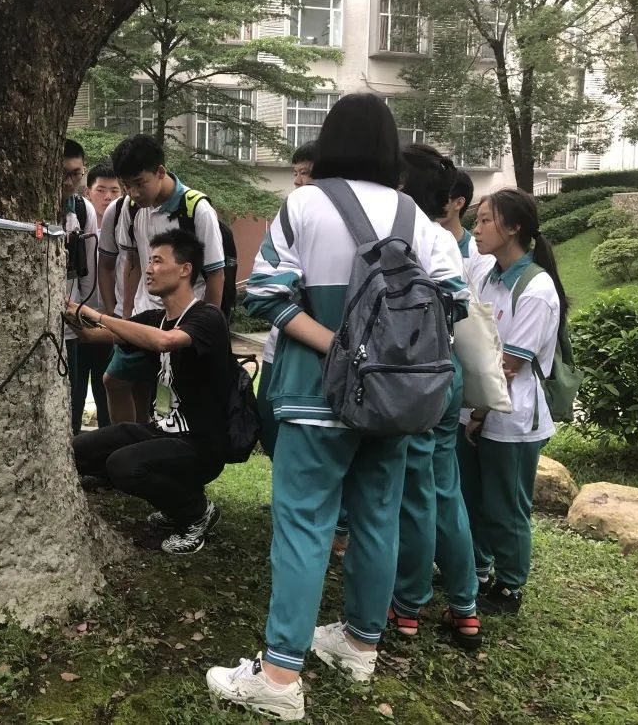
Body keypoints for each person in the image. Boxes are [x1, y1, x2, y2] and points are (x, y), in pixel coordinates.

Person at [206, 94, 467, 721]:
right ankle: (359, 646)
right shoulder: (413, 214)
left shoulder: (304, 204)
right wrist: (385, 355)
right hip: (393, 402)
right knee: (378, 519)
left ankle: (278, 678)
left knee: (304, 525)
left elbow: (266, 293)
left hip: (313, 398)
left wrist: (339, 347)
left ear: (329, 142)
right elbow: (453, 300)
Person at [68, 229, 233, 556]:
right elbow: (93, 336)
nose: (148, 269)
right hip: (161, 431)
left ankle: (196, 512)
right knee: (78, 450)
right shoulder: (155, 319)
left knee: (123, 465)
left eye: (157, 261)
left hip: (202, 443)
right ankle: (175, 502)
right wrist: (70, 312)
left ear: (185, 269)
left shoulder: (207, 317)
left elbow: (165, 342)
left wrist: (99, 315)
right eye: (148, 261)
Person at [388, 144, 481, 650]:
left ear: (402, 186)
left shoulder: (400, 235)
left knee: (416, 494)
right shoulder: (445, 240)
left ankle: (408, 606)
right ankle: (465, 607)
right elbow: (457, 308)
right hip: (449, 374)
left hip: (413, 380)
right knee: (446, 490)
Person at [457, 189, 566, 616]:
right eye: (477, 220)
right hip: (476, 411)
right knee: (472, 497)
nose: (477, 229)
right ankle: (479, 569)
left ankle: (511, 585)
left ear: (514, 227)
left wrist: (479, 413)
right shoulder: (487, 275)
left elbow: (510, 365)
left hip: (511, 418)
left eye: (485, 220)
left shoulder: (536, 287)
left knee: (506, 506)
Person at [101, 135, 225, 424]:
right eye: (126, 185)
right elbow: (132, 262)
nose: (132, 192)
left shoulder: (196, 209)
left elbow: (215, 274)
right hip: (144, 315)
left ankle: (157, 440)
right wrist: (125, 315)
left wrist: (205, 327)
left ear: (160, 172)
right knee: (115, 381)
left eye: (139, 183)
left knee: (169, 397)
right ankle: (128, 442)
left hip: (182, 322)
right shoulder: (130, 208)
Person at [256, 141, 315, 458]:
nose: (297, 181)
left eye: (304, 173)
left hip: (314, 352)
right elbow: (264, 286)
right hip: (280, 342)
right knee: (269, 425)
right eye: (296, 173)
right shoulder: (290, 215)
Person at [67, 161, 121, 432]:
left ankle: (108, 446)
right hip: (77, 322)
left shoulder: (126, 228)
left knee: (107, 391)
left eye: (114, 191)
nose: (108, 197)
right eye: (101, 190)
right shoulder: (78, 222)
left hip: (109, 324)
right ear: (88, 192)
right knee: (74, 393)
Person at [61, 141, 99, 434]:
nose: (69, 181)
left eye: (76, 174)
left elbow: (89, 270)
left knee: (73, 399)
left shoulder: (83, 210)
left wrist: (85, 315)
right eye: (64, 174)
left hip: (70, 323)